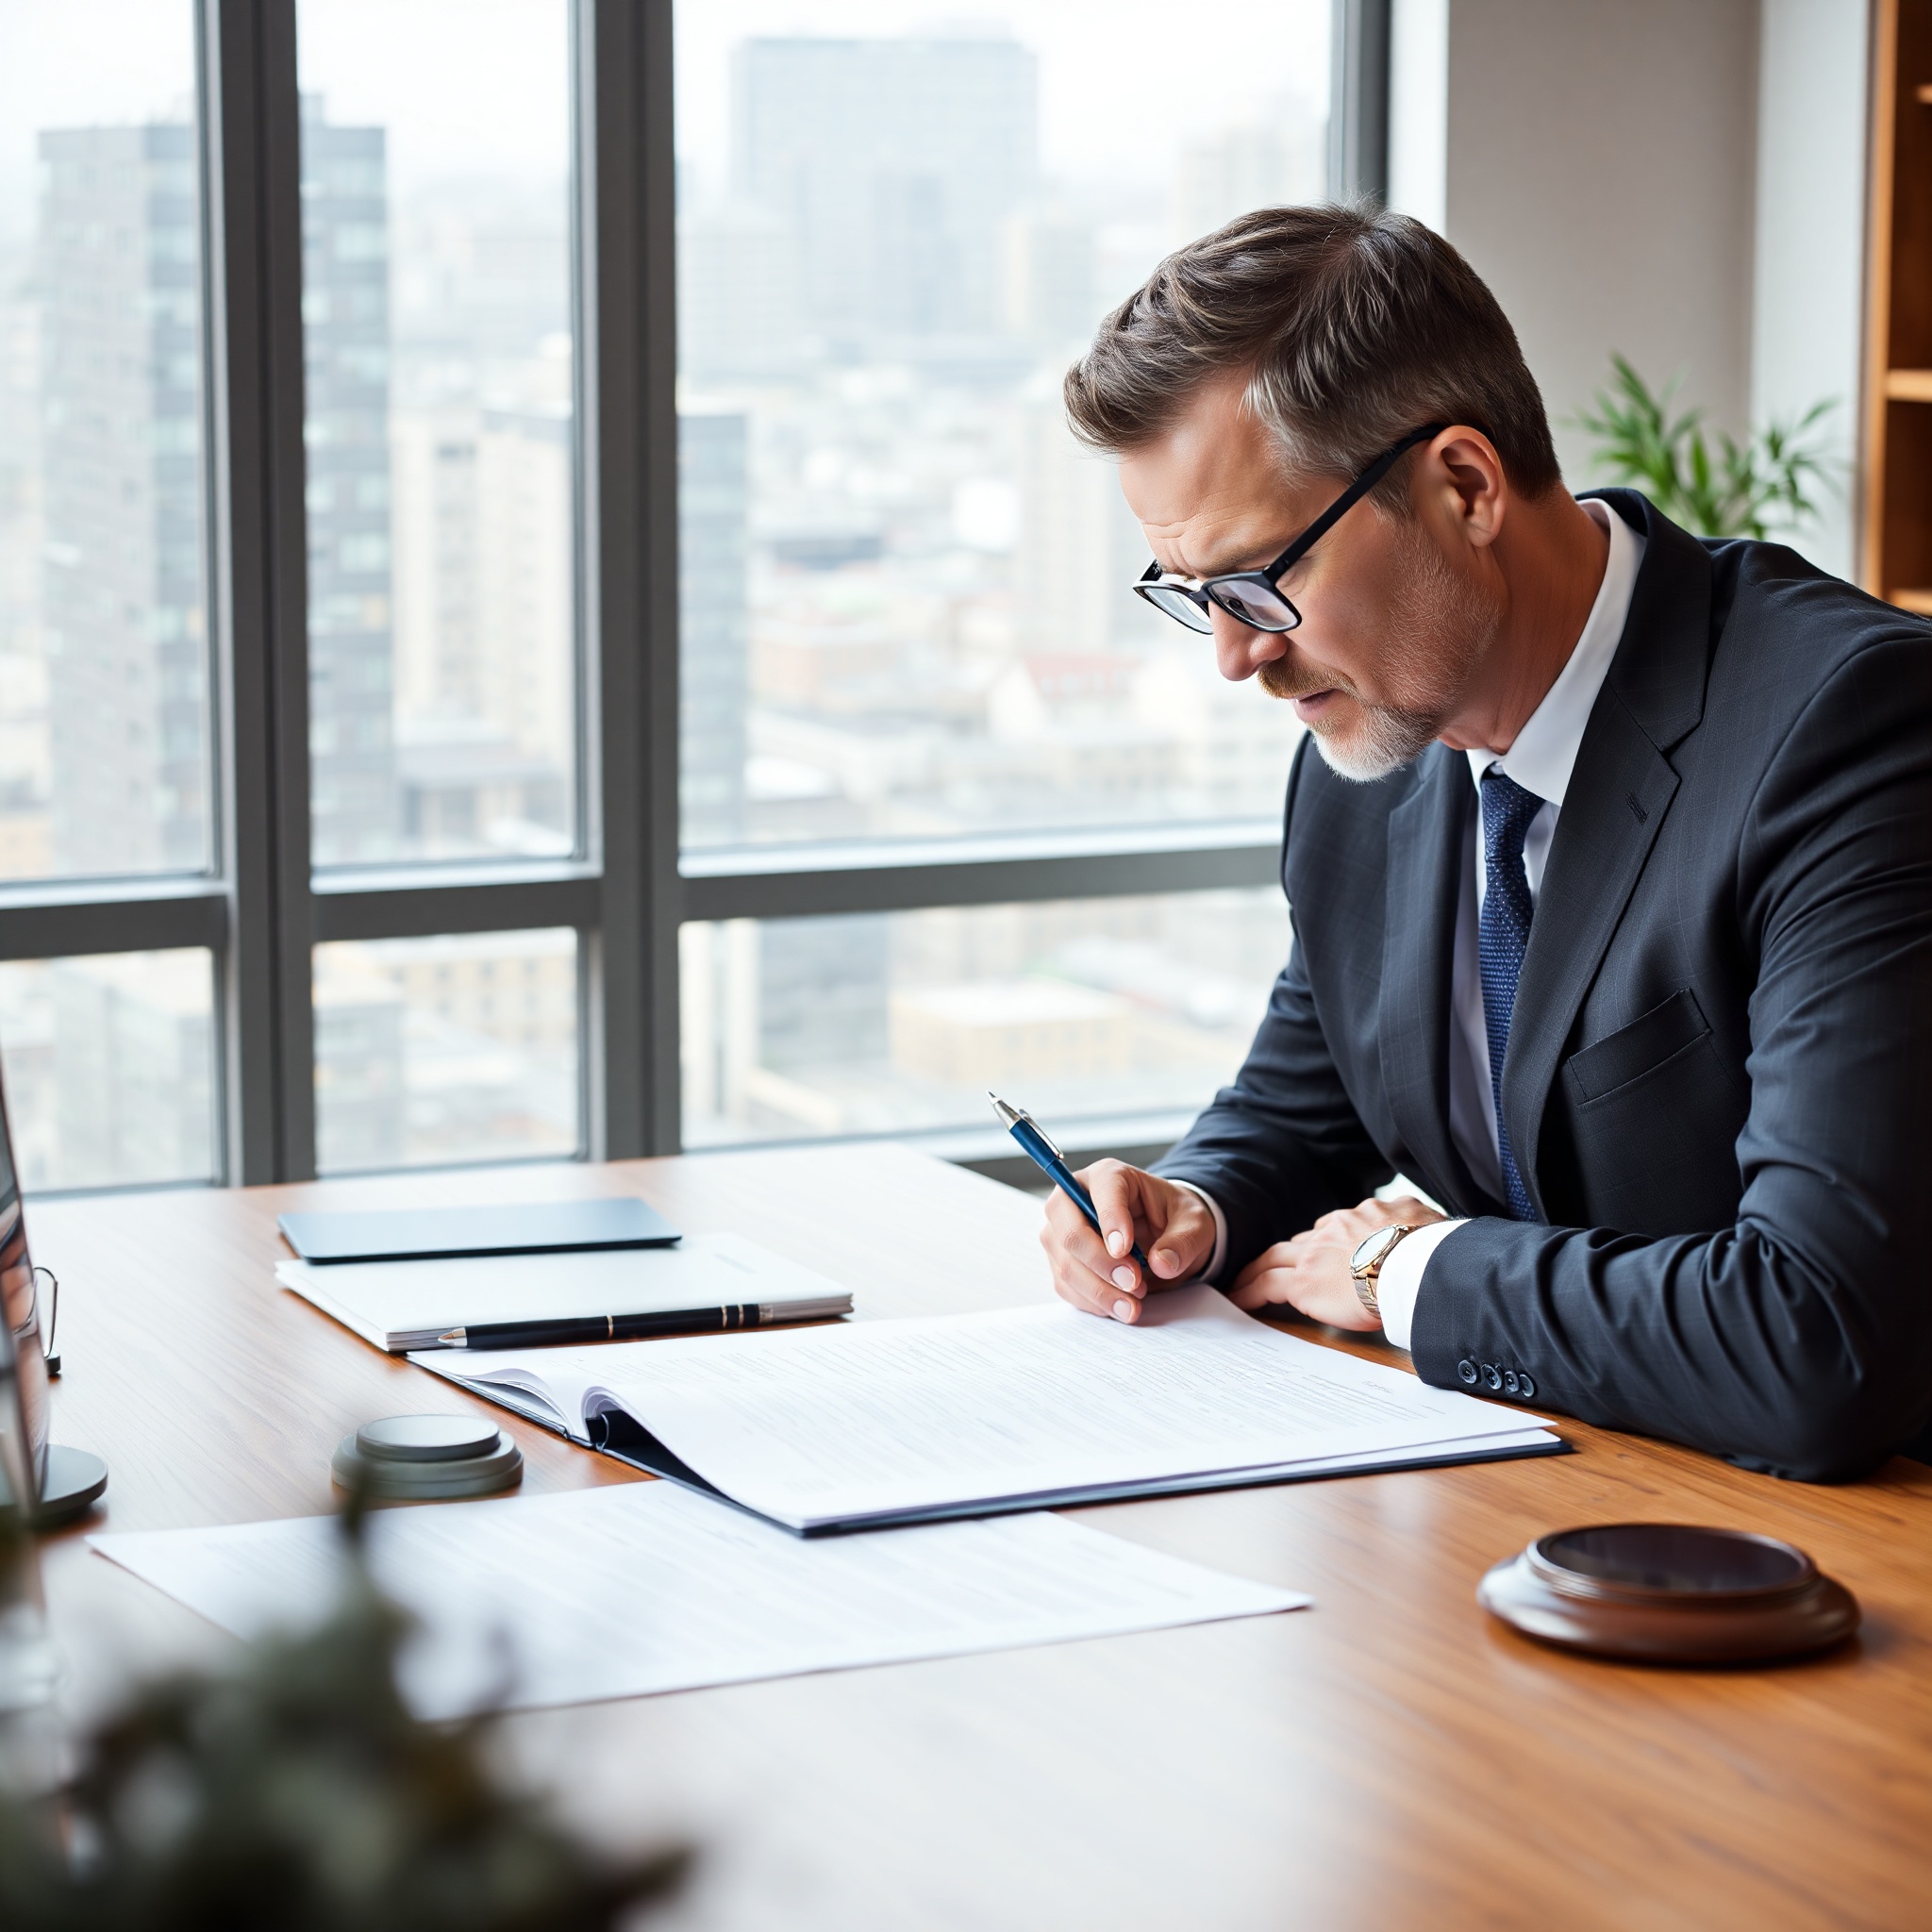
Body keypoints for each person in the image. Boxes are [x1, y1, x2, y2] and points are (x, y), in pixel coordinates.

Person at [1039, 204, 1932, 1482]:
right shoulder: (1369, 754)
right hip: (1547, 1495)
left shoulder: (1852, 729)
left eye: (1255, 583)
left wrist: (1407, 1270)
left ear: (1462, 485)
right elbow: (1315, 1104)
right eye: (1195, 601)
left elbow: (1820, 1334)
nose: (1236, 656)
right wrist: (1195, 1206)